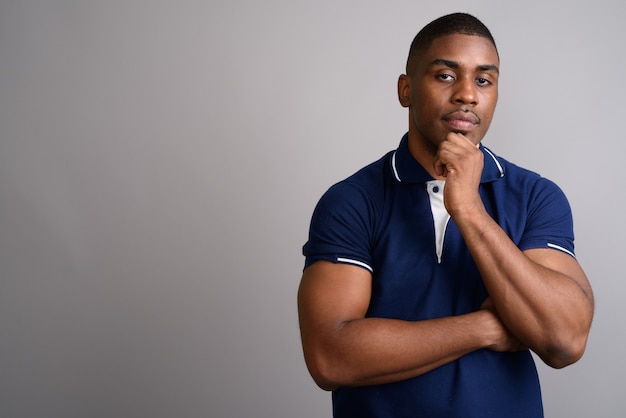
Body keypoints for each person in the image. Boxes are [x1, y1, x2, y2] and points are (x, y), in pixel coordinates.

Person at [297, 12, 594, 418]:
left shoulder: (535, 196)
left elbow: (564, 340)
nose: (467, 95)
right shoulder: (352, 201)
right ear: (406, 89)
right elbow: (331, 357)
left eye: (484, 80)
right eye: (445, 76)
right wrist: (488, 327)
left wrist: (469, 209)